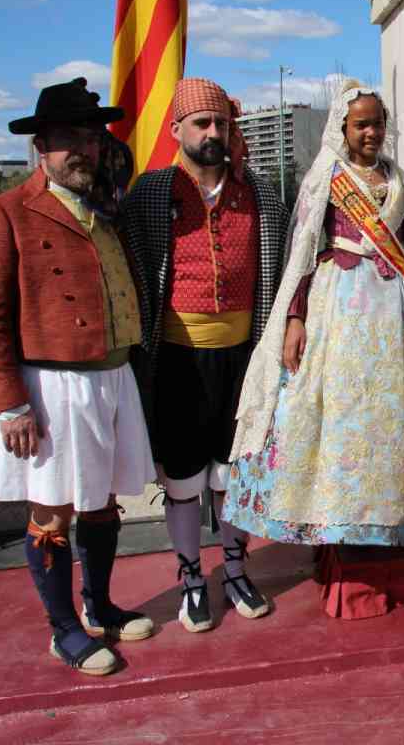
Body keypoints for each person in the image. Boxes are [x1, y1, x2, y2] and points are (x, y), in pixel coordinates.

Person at [0, 78, 154, 675]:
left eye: (91, 137)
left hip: (113, 375)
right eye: (68, 138)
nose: (83, 149)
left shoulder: (109, 210)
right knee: (54, 512)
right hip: (50, 386)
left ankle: (99, 608)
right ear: (40, 146)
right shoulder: (3, 213)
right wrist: (10, 405)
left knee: (102, 504)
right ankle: (63, 629)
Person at [225, 80, 404, 547]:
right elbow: (303, 251)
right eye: (361, 124)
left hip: (397, 309)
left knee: (392, 408)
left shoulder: (400, 181)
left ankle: (389, 512)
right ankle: (336, 515)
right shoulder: (325, 177)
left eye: (378, 123)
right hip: (340, 305)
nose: (371, 132)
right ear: (343, 127)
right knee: (342, 407)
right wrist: (295, 317)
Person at [121, 78, 289, 632]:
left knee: (234, 473)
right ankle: (192, 576)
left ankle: (235, 569)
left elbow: (286, 271)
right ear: (177, 130)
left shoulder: (259, 193)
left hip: (244, 357)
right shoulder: (151, 193)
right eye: (201, 123)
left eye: (221, 122)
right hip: (176, 361)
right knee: (184, 480)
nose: (213, 132)